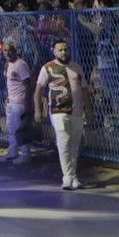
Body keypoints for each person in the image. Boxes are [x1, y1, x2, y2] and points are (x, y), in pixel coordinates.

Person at [33, 39, 89, 189]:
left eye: (65, 49)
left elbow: (84, 89)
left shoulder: (76, 67)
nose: (63, 52)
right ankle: (67, 177)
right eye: (60, 50)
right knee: (64, 143)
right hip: (58, 111)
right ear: (54, 51)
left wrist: (89, 110)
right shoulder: (48, 68)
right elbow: (38, 90)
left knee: (74, 145)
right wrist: (38, 110)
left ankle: (73, 176)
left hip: (77, 111)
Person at [2, 41, 32, 162]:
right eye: (5, 50)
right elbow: (8, 82)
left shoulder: (20, 64)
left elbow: (28, 84)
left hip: (19, 101)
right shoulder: (7, 64)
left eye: (10, 50)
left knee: (20, 128)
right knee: (11, 128)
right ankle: (13, 152)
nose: (7, 53)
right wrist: (7, 96)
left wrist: (27, 102)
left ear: (15, 51)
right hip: (11, 101)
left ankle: (26, 155)